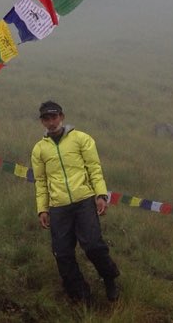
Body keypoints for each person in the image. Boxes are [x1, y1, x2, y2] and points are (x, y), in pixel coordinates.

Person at [31, 100, 120, 305]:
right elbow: (41, 181)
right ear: (42, 122)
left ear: (62, 117)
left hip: (84, 201)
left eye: (54, 117)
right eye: (46, 118)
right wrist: (42, 209)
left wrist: (100, 195)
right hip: (58, 207)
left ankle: (109, 277)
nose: (51, 122)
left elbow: (94, 169)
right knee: (62, 253)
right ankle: (81, 295)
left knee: (93, 245)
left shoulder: (82, 139)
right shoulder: (39, 149)